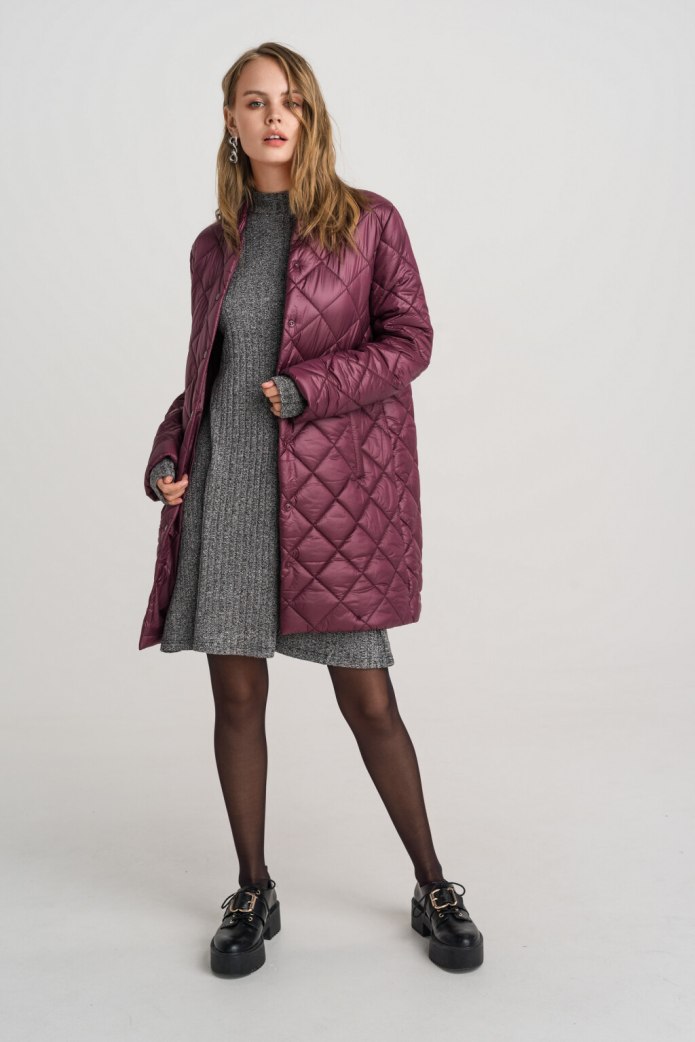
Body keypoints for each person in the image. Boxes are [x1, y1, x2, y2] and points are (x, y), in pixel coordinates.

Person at [141, 41, 484, 977]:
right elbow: (204, 374)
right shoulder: (214, 245)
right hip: (228, 491)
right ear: (231, 119)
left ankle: (432, 883)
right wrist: (167, 455)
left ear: (311, 113)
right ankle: (252, 888)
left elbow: (410, 340)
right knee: (236, 696)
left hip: (332, 503)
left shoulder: (367, 223)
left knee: (368, 700)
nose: (273, 116)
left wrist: (307, 388)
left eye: (288, 100)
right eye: (255, 102)